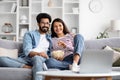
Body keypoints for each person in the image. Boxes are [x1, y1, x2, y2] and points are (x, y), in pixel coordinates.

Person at [0, 13, 52, 80]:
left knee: (37, 58)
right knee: (1, 59)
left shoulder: (50, 37)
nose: (45, 25)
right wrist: (38, 53)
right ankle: (28, 66)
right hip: (27, 59)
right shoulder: (29, 34)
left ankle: (37, 66)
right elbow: (27, 51)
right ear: (38, 23)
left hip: (41, 59)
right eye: (43, 23)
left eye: (47, 23)